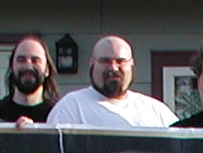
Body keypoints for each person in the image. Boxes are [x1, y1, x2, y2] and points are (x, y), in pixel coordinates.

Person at [47, 36, 176, 127]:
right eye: (105, 61)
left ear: (131, 64)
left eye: (120, 61)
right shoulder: (70, 107)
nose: (113, 68)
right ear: (92, 64)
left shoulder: (156, 111)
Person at [0, 36, 60, 124]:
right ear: (12, 67)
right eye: (21, 60)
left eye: (35, 61)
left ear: (47, 70)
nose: (28, 66)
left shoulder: (58, 115)